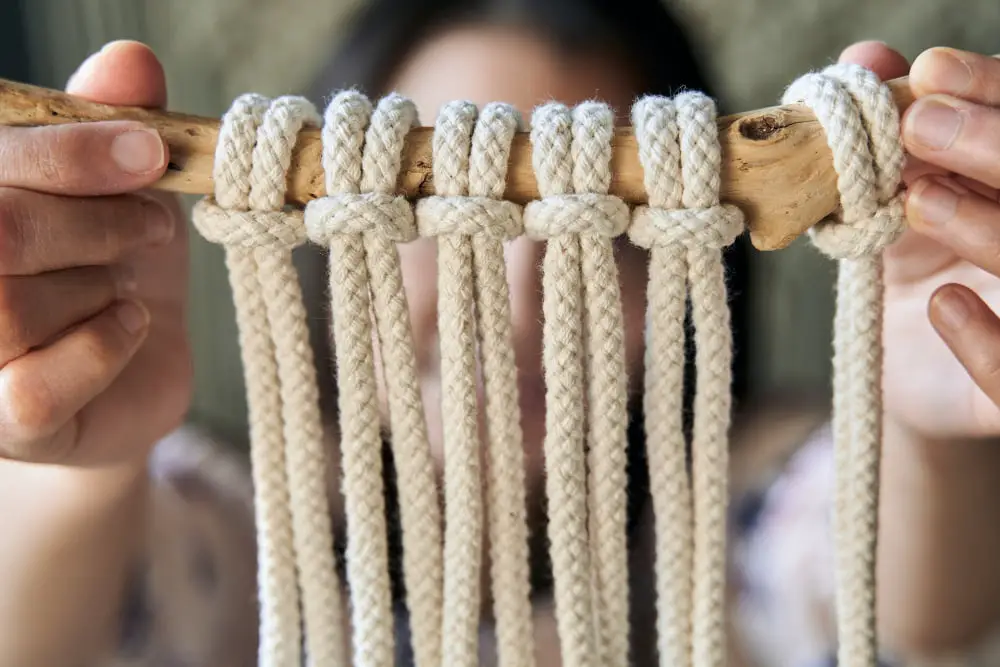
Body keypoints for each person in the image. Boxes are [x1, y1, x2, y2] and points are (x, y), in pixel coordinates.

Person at [0, 0, 998, 663]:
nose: (519, 307)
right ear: (322, 239)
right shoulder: (246, 536)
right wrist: (83, 464)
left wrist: (924, 433)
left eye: (604, 234)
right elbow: (47, 630)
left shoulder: (737, 507)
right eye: (439, 216)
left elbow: (904, 603)